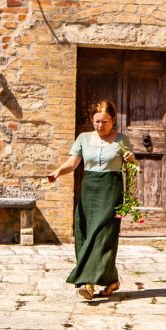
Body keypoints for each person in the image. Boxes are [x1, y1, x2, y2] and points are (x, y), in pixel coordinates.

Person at [48, 101, 136, 300]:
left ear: (113, 120)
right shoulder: (83, 138)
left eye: (105, 121)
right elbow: (72, 163)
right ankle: (111, 279)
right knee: (87, 233)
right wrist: (58, 172)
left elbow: (134, 167)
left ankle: (88, 283)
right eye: (96, 121)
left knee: (102, 234)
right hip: (89, 190)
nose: (100, 125)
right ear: (91, 120)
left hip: (111, 190)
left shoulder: (122, 140)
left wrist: (132, 159)